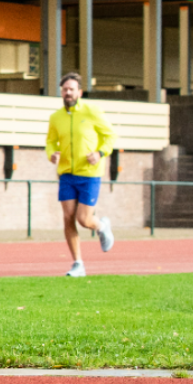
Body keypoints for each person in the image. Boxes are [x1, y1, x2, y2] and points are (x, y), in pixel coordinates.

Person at [45, 72, 116, 277]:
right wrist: (52, 154)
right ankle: (78, 264)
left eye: (71, 89)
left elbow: (110, 136)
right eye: (65, 89)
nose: (68, 92)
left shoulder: (92, 111)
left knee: (84, 220)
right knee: (68, 218)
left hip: (90, 173)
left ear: (79, 92)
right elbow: (50, 141)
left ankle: (101, 226)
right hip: (67, 173)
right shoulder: (56, 118)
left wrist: (100, 153)